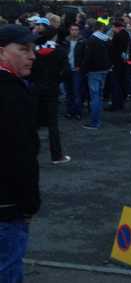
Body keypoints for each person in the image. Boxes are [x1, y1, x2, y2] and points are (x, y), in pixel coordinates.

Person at [0, 25, 40, 282]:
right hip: (7, 206)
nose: (32, 56)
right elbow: (20, 154)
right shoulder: (11, 93)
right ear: (2, 52)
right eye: (24, 50)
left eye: (32, 50)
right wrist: (29, 203)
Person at [31, 27, 71, 165]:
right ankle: (56, 155)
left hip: (35, 90)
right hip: (52, 90)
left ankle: (31, 154)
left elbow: (29, 70)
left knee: (33, 124)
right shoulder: (60, 51)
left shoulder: (35, 50)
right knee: (53, 125)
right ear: (55, 37)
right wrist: (57, 79)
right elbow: (67, 72)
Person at [81, 20, 112, 130]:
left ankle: (95, 122)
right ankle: (97, 119)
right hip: (104, 69)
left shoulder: (92, 40)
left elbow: (88, 57)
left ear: (93, 28)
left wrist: (83, 70)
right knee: (99, 96)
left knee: (95, 97)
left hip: (94, 70)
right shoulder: (107, 39)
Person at [107, 18, 131, 112]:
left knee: (115, 84)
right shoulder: (126, 34)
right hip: (124, 62)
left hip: (116, 63)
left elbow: (113, 50)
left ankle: (115, 104)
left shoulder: (117, 36)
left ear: (116, 27)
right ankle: (121, 103)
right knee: (121, 83)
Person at [64, 23, 86, 120]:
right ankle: (70, 111)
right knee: (68, 92)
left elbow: (85, 56)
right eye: (72, 29)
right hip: (67, 69)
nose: (74, 31)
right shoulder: (65, 41)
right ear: (70, 30)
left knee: (77, 91)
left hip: (77, 70)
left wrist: (80, 66)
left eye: (76, 29)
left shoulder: (82, 41)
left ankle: (78, 112)